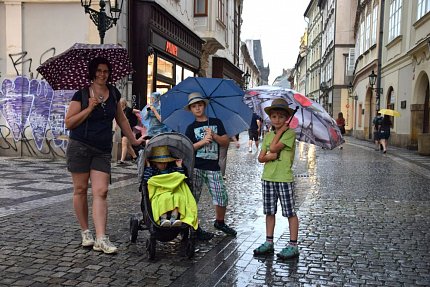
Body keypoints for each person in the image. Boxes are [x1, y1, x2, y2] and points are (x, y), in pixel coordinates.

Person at [65, 56, 145, 254]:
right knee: (81, 190)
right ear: (93, 72)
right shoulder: (81, 95)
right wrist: (89, 108)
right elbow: (69, 123)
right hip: (80, 147)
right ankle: (86, 232)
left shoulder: (114, 93)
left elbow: (122, 120)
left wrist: (134, 140)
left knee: (101, 191)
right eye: (99, 71)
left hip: (102, 149)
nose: (102, 74)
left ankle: (101, 238)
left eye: (106, 71)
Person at [184, 92, 237, 239]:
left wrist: (214, 136)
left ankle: (219, 222)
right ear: (191, 109)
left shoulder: (216, 123)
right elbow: (188, 148)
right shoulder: (191, 127)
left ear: (204, 106)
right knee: (193, 198)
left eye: (200, 105)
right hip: (196, 167)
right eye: (194, 106)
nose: (198, 108)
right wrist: (202, 142)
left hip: (213, 166)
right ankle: (194, 227)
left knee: (221, 196)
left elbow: (225, 142)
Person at [253, 98, 299, 260]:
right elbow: (261, 157)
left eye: (281, 116)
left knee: (290, 212)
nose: (277, 119)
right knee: (269, 212)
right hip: (268, 178)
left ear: (287, 118)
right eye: (274, 116)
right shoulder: (267, 135)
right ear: (270, 118)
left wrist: (279, 134)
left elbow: (272, 148)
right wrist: (270, 157)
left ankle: (293, 245)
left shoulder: (290, 134)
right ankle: (269, 242)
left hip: (284, 179)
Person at [143, 145, 198, 229]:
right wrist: (148, 166)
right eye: (160, 163)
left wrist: (179, 166)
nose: (163, 165)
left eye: (165, 162)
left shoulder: (172, 169)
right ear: (154, 163)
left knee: (179, 197)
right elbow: (148, 180)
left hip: (173, 190)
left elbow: (179, 178)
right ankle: (163, 218)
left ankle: (174, 218)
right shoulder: (153, 171)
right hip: (160, 192)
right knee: (163, 198)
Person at [118, 98, 140, 164]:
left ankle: (122, 160)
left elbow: (138, 111)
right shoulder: (120, 110)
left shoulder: (128, 109)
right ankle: (135, 157)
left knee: (124, 144)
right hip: (122, 129)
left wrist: (147, 110)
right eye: (120, 103)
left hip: (128, 128)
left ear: (124, 103)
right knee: (127, 145)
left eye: (121, 103)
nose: (120, 104)